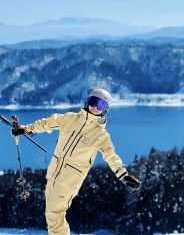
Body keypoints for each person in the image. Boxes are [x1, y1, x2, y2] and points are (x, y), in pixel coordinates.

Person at [12, 88, 141, 235]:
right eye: (94, 102)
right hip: (53, 173)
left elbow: (111, 155)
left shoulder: (100, 135)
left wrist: (123, 175)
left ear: (105, 110)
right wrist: (26, 129)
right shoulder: (70, 119)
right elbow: (48, 123)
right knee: (52, 213)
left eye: (101, 106)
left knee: (55, 214)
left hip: (69, 181)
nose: (96, 107)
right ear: (87, 101)